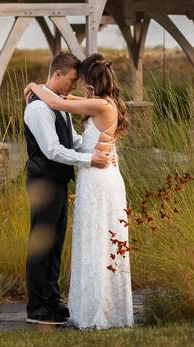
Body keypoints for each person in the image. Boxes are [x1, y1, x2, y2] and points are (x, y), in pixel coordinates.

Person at [25, 53, 133, 329]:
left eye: (80, 81)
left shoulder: (85, 104)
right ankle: (39, 307)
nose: (75, 86)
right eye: (73, 80)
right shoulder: (40, 108)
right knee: (44, 245)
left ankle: (55, 303)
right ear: (59, 74)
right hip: (46, 182)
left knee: (61, 243)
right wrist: (90, 157)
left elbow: (69, 126)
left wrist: (36, 86)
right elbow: (54, 149)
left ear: (92, 83)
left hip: (84, 180)